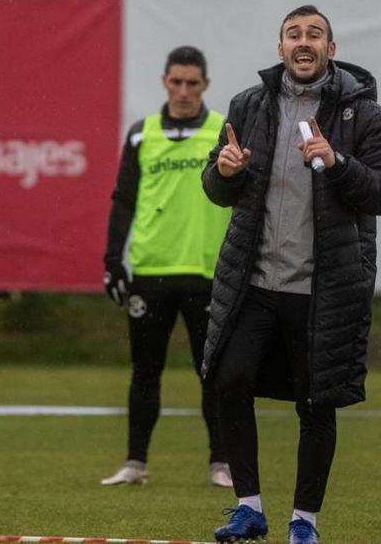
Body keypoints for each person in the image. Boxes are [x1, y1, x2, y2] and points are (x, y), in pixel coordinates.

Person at [199, 4, 381, 543]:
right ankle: (249, 510)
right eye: (294, 34)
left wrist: (338, 163)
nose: (304, 42)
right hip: (255, 283)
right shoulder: (249, 104)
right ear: (280, 48)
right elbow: (218, 189)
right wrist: (222, 173)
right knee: (229, 378)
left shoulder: (367, 115)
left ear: (331, 50)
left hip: (323, 289)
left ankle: (303, 522)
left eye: (315, 34)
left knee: (317, 403)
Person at [99, 45, 232, 489]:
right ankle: (135, 463)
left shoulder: (223, 132)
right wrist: (112, 260)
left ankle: (221, 463)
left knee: (212, 372)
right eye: (176, 81)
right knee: (144, 372)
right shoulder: (142, 134)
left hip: (207, 271)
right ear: (164, 82)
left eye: (192, 83)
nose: (183, 91)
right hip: (151, 272)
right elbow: (123, 200)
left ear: (206, 86)